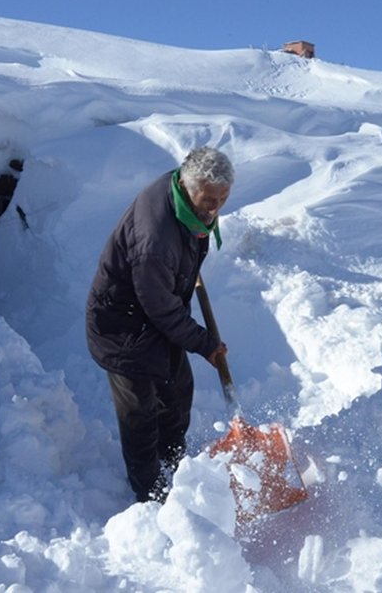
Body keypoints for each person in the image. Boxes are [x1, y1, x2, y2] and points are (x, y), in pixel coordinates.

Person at [86, 146, 233, 503]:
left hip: (154, 316)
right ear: (187, 186)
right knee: (140, 415)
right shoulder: (155, 239)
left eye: (223, 199)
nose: (215, 208)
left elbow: (164, 302)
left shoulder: (182, 198)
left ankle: (174, 463)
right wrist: (203, 342)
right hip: (122, 327)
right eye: (209, 199)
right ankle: (151, 495)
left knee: (178, 392)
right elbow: (161, 309)